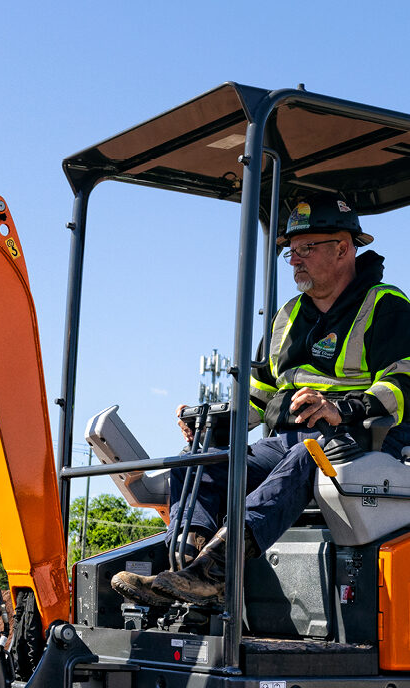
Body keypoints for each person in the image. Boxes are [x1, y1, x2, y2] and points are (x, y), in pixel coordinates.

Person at [113, 196, 410, 608]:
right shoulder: (288, 316)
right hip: (296, 440)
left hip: (367, 445)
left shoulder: (386, 306)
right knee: (200, 462)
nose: (294, 261)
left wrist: (341, 409)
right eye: (292, 251)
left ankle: (213, 573)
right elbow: (260, 393)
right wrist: (213, 423)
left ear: (343, 248)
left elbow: (402, 383)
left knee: (307, 455)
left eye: (307, 248)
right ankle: (185, 572)